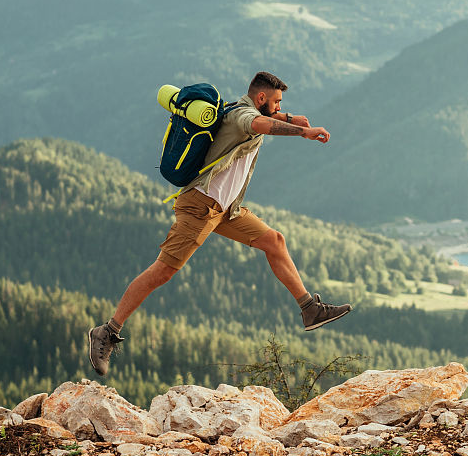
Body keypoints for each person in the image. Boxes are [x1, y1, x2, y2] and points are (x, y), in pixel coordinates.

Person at [87, 71, 351, 376]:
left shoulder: (242, 109)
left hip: (226, 210)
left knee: (274, 241)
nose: (278, 108)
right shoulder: (242, 115)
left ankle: (310, 309)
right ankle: (107, 330)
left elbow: (267, 117)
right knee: (163, 270)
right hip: (200, 206)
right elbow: (260, 123)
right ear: (261, 98)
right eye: (276, 102)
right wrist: (300, 131)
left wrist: (291, 117)